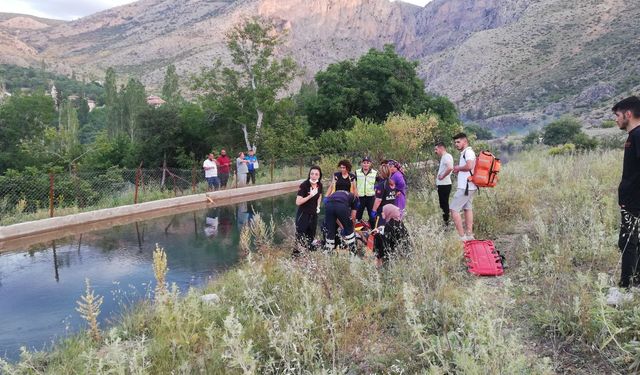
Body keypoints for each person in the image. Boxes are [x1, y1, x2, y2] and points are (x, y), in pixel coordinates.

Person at [607, 96, 640, 305]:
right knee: (633, 242)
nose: (616, 120)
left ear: (628, 114)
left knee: (627, 242)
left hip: (635, 202)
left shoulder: (638, 135)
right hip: (632, 201)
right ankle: (635, 285)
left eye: (617, 115)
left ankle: (626, 290)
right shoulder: (633, 136)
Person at [450, 133, 477, 241]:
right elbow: (469, 168)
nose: (456, 144)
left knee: (453, 209)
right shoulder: (465, 153)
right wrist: (459, 170)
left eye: (458, 142)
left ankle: (462, 237)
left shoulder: (468, 152)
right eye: (455, 142)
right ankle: (469, 235)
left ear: (465, 141)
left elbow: (469, 166)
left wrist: (458, 168)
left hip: (465, 187)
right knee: (467, 209)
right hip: (469, 186)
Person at [294, 166, 323, 255]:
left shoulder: (319, 185)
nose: (314, 176)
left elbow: (320, 195)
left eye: (316, 174)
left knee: (311, 237)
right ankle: (295, 257)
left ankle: (309, 258)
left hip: (313, 215)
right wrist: (309, 196)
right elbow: (298, 202)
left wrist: (318, 206)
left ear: (319, 176)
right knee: (300, 237)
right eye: (312, 174)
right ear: (309, 174)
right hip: (303, 214)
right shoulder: (304, 185)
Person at [323, 190, 358, 254]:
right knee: (349, 228)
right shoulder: (356, 199)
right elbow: (353, 217)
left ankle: (328, 251)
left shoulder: (337, 193)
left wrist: (342, 228)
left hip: (328, 205)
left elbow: (335, 217)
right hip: (340, 205)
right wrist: (351, 229)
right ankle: (353, 251)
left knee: (330, 230)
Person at [355, 156, 378, 228]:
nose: (365, 164)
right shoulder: (357, 172)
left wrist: (377, 190)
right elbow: (352, 184)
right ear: (361, 164)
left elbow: (381, 183)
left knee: (372, 216)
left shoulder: (375, 173)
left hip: (371, 197)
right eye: (364, 163)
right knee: (357, 216)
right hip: (360, 197)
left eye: (367, 163)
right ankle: (357, 233)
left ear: (370, 164)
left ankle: (373, 232)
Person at [435, 142, 454, 225]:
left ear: (441, 148)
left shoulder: (446, 156)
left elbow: (450, 167)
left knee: (444, 204)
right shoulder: (445, 157)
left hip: (444, 185)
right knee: (443, 204)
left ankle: (446, 223)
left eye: (436, 149)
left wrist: (442, 176)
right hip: (443, 185)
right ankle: (446, 222)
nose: (435, 151)